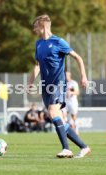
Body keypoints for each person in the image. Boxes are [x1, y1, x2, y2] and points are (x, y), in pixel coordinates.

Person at [28, 14, 90, 158]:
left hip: (58, 84)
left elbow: (78, 58)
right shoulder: (38, 44)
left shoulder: (58, 42)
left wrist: (83, 76)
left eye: (35, 26)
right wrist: (30, 82)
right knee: (58, 119)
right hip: (46, 86)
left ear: (42, 27)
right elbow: (37, 66)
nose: (34, 29)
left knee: (53, 113)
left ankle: (66, 149)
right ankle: (84, 147)